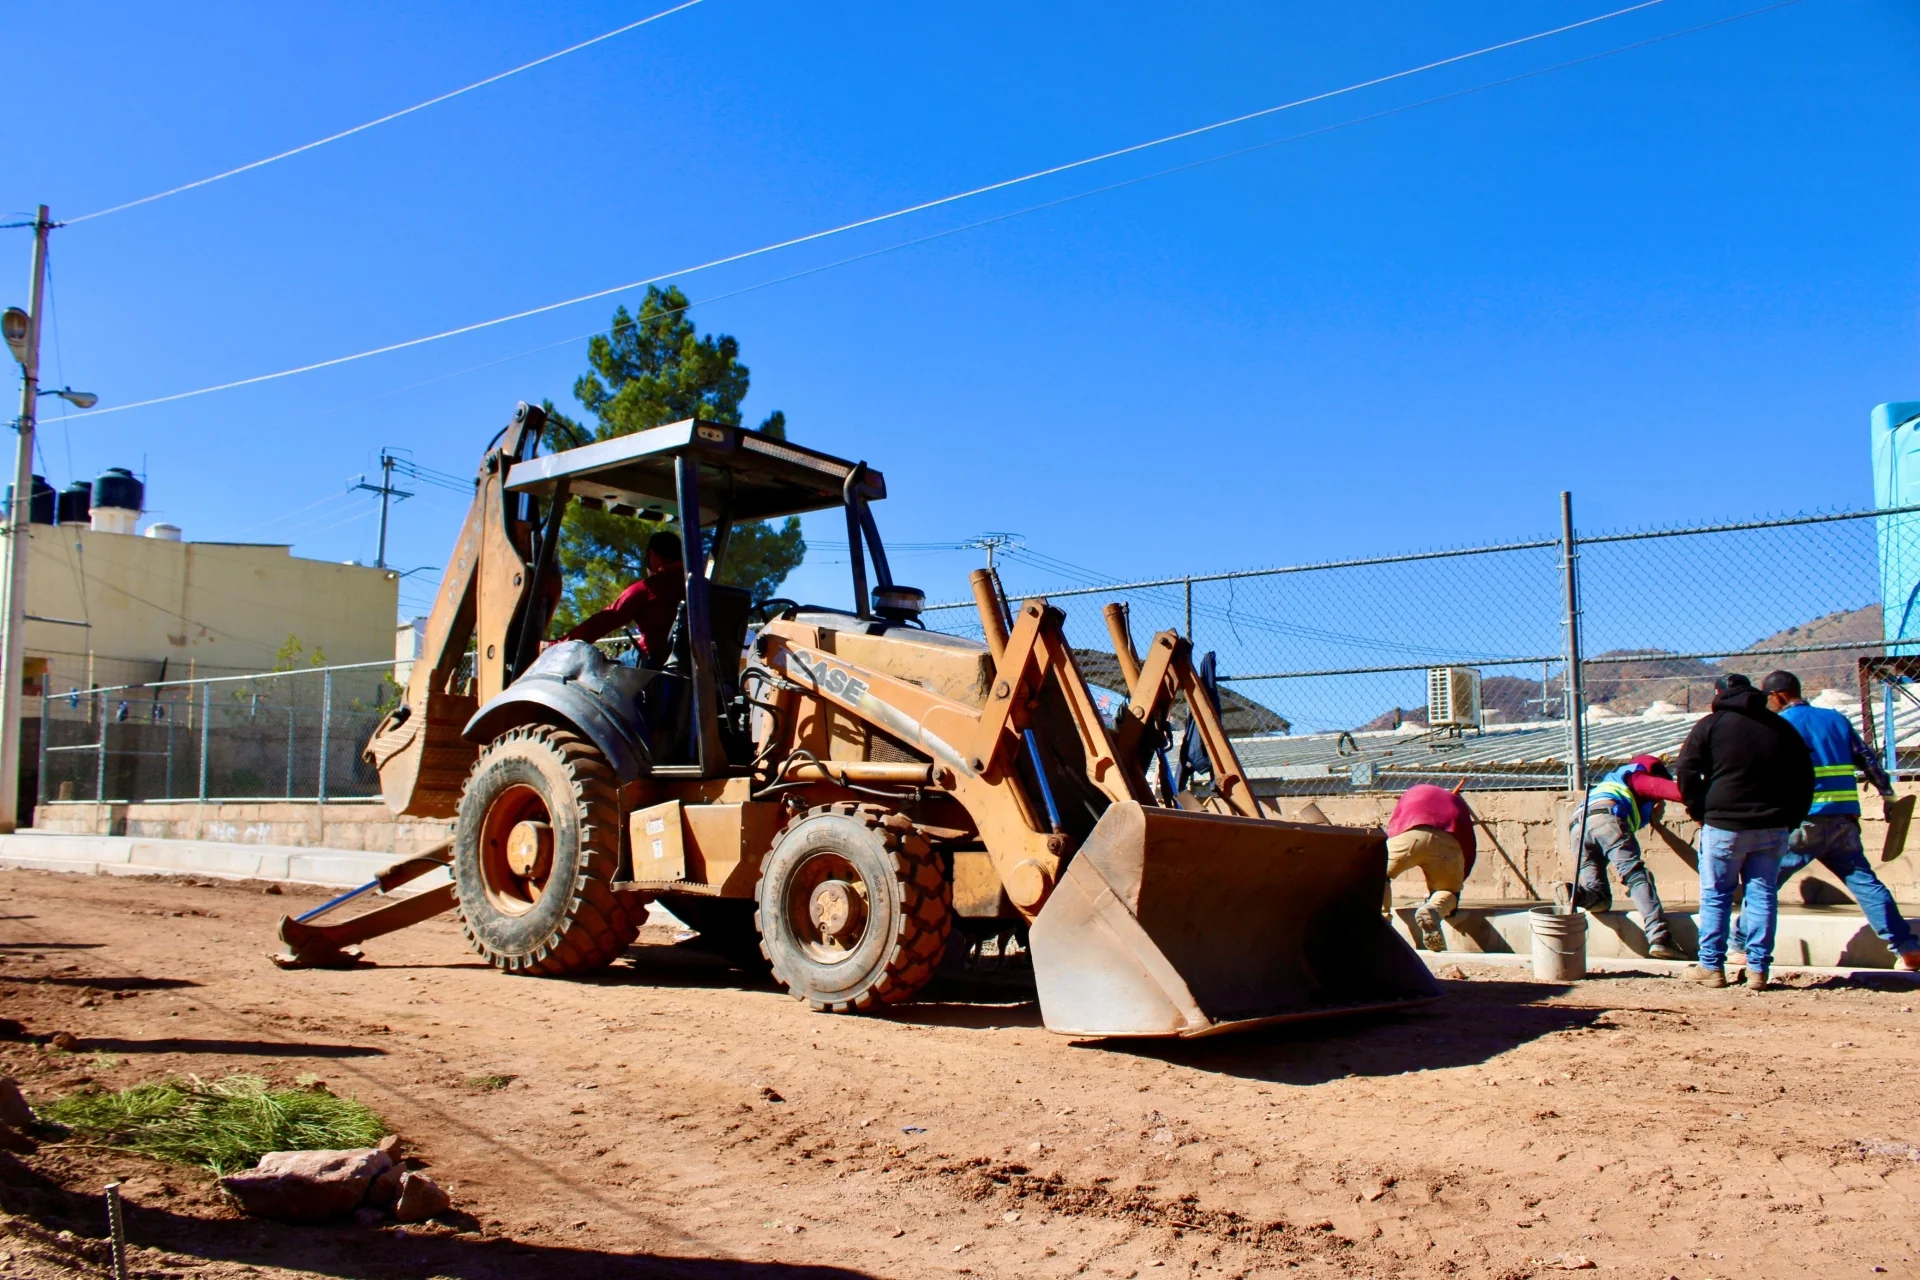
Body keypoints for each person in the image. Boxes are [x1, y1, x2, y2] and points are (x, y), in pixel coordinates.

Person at [1746, 670, 1920, 971]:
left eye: (1769, 699)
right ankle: (1906, 947)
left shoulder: (1781, 725)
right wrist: (1888, 796)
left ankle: (1738, 947)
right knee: (1866, 884)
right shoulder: (1836, 718)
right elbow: (1866, 757)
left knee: (1763, 884)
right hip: (1843, 820)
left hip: (1804, 822)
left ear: (1778, 696)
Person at [1674, 673, 1814, 991]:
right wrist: (1791, 818)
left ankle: (1711, 967)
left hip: (1723, 825)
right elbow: (1805, 776)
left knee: (1716, 896)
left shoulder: (1710, 725)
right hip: (1772, 826)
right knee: (1762, 896)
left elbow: (1685, 770)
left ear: (1719, 694)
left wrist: (1699, 810)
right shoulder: (1781, 726)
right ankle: (1758, 970)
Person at [1559, 754, 1688, 960]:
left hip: (1578, 826)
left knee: (1600, 896)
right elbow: (1673, 790)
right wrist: (1712, 796)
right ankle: (1660, 938)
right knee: (1636, 876)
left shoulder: (1612, 783)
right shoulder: (1637, 777)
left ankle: (1576, 893)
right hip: (1607, 818)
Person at [560, 530, 685, 662]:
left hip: (654, 664)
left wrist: (560, 645)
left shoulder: (648, 588)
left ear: (652, 555)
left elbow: (604, 620)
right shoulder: (701, 586)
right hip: (697, 664)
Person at [1383, 782, 1476, 952]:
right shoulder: (1457, 804)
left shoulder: (1414, 792)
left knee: (1378, 874)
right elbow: (1468, 846)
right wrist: (1457, 883)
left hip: (1410, 833)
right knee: (1447, 890)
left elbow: (1395, 827)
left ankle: (1381, 921)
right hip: (1449, 841)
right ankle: (1434, 909)